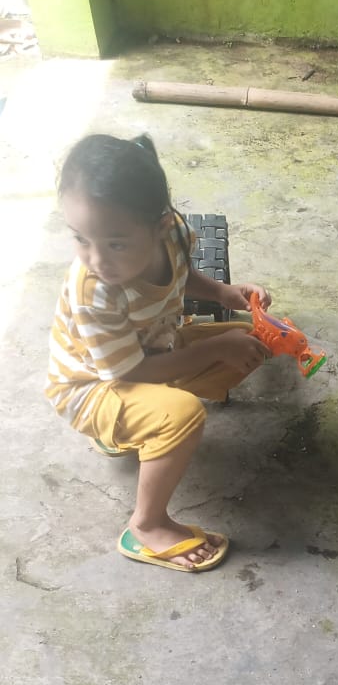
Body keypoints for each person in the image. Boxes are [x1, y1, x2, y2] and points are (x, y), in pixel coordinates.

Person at [46, 133, 272, 571]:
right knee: (183, 414)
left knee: (248, 343)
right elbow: (128, 372)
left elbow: (179, 275)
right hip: (89, 386)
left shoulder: (176, 235)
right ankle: (147, 525)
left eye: (115, 243)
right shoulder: (94, 291)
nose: (97, 260)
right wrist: (217, 346)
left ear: (161, 226)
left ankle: (125, 430)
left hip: (150, 345)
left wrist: (222, 293)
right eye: (81, 238)